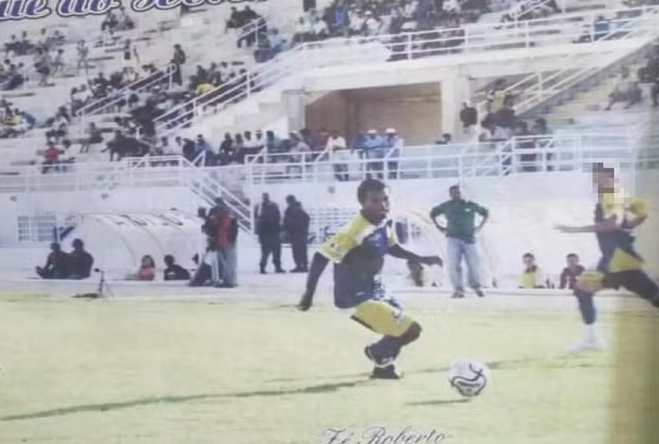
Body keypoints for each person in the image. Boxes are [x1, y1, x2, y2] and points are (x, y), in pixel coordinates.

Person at [297, 179, 442, 379]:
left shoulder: (384, 222)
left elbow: (393, 248)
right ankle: (378, 353)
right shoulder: (354, 231)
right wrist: (309, 293)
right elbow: (321, 256)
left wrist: (422, 258)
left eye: (386, 199)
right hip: (354, 297)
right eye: (375, 200)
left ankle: (383, 368)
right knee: (411, 330)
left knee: (397, 326)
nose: (383, 204)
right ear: (362, 202)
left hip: (376, 288)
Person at [555, 164, 659, 352]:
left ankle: (592, 341)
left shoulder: (611, 196)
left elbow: (613, 223)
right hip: (625, 260)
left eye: (600, 178)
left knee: (582, 289)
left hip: (616, 260)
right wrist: (627, 228)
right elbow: (642, 213)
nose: (596, 183)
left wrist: (576, 229)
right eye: (595, 179)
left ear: (611, 179)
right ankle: (592, 340)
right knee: (654, 295)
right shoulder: (622, 195)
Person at [429, 185, 488, 298]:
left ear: (462, 193)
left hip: (469, 239)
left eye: (457, 192)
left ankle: (476, 286)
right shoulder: (447, 205)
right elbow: (433, 213)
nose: (455, 195)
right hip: (453, 238)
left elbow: (485, 212)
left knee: (473, 264)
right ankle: (458, 290)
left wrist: (479, 226)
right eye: (453, 193)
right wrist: (439, 226)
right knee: (454, 265)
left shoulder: (470, 205)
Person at [255, 193, 285, 274]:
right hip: (274, 233)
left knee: (265, 252)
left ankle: (262, 267)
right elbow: (278, 220)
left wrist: (258, 234)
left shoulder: (259, 208)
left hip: (264, 234)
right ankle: (277, 267)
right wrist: (280, 231)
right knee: (276, 252)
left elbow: (257, 221)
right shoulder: (274, 207)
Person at [283, 195, 310, 273]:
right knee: (297, 250)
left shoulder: (297, 209)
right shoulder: (291, 209)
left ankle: (303, 266)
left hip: (299, 233)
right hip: (296, 233)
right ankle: (300, 265)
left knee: (300, 250)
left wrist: (302, 228)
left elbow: (305, 220)